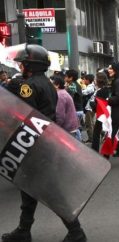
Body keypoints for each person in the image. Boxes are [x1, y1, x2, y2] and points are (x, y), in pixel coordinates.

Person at [1, 44, 87, 242]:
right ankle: (24, 229)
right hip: (46, 140)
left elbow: (26, 114)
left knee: (51, 190)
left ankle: (76, 232)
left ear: (31, 64)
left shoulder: (28, 86)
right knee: (28, 187)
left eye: (23, 63)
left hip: (35, 144)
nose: (21, 66)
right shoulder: (47, 84)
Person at [51, 75, 81, 141]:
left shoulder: (60, 95)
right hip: (71, 127)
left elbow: (60, 116)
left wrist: (54, 128)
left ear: (57, 85)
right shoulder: (63, 93)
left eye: (51, 84)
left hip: (68, 129)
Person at [90, 72, 111, 152]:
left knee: (96, 132)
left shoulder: (101, 91)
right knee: (110, 130)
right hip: (105, 113)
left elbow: (99, 104)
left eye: (95, 79)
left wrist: (92, 104)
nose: (94, 80)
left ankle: (94, 150)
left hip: (102, 113)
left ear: (99, 80)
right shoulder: (105, 89)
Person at [64, 69, 84, 141]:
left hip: (76, 110)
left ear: (71, 78)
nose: (64, 78)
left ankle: (79, 144)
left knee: (75, 129)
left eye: (66, 76)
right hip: (79, 110)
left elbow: (69, 99)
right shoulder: (76, 84)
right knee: (76, 128)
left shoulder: (73, 85)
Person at [82, 74, 96, 143]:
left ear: (88, 80)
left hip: (89, 108)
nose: (83, 80)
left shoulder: (90, 87)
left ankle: (91, 139)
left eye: (84, 79)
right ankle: (97, 136)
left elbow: (83, 93)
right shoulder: (92, 86)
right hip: (91, 107)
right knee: (91, 123)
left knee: (88, 123)